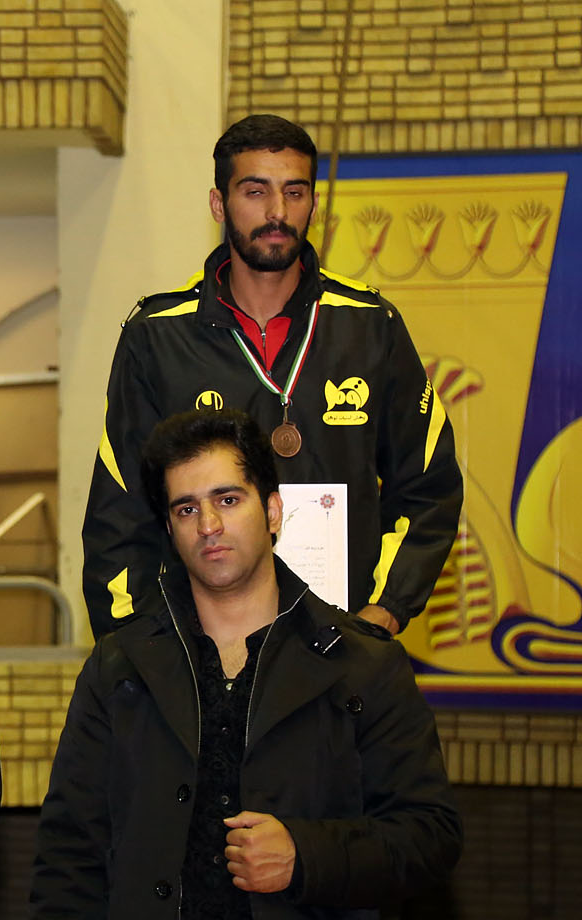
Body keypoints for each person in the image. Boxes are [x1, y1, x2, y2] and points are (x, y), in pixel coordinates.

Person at [25, 408, 461, 920]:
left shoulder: (362, 664)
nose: (208, 524)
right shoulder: (118, 669)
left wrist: (305, 856)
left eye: (228, 500)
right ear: (170, 530)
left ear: (273, 512)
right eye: (186, 509)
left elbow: (430, 835)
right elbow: (67, 860)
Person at [82, 113, 462, 639]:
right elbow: (120, 510)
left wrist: (385, 611)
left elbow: (428, 487)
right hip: (201, 651)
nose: (277, 212)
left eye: (294, 192)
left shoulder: (370, 326)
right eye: (256, 191)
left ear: (314, 205)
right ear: (219, 204)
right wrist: (138, 650)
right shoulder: (158, 337)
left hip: (340, 646)